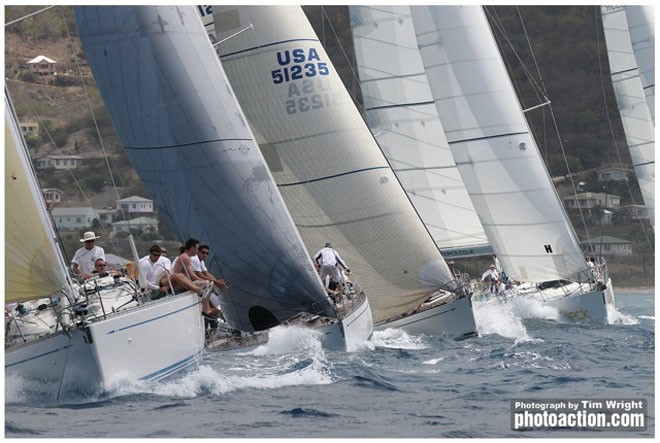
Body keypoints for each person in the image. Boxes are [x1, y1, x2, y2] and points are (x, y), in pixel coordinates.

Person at [172, 238, 214, 314]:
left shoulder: (185, 257)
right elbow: (192, 276)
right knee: (207, 283)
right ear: (192, 248)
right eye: (197, 248)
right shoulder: (186, 258)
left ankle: (207, 307)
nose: (197, 251)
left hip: (183, 283)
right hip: (179, 285)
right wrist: (203, 281)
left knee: (207, 283)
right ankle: (206, 308)